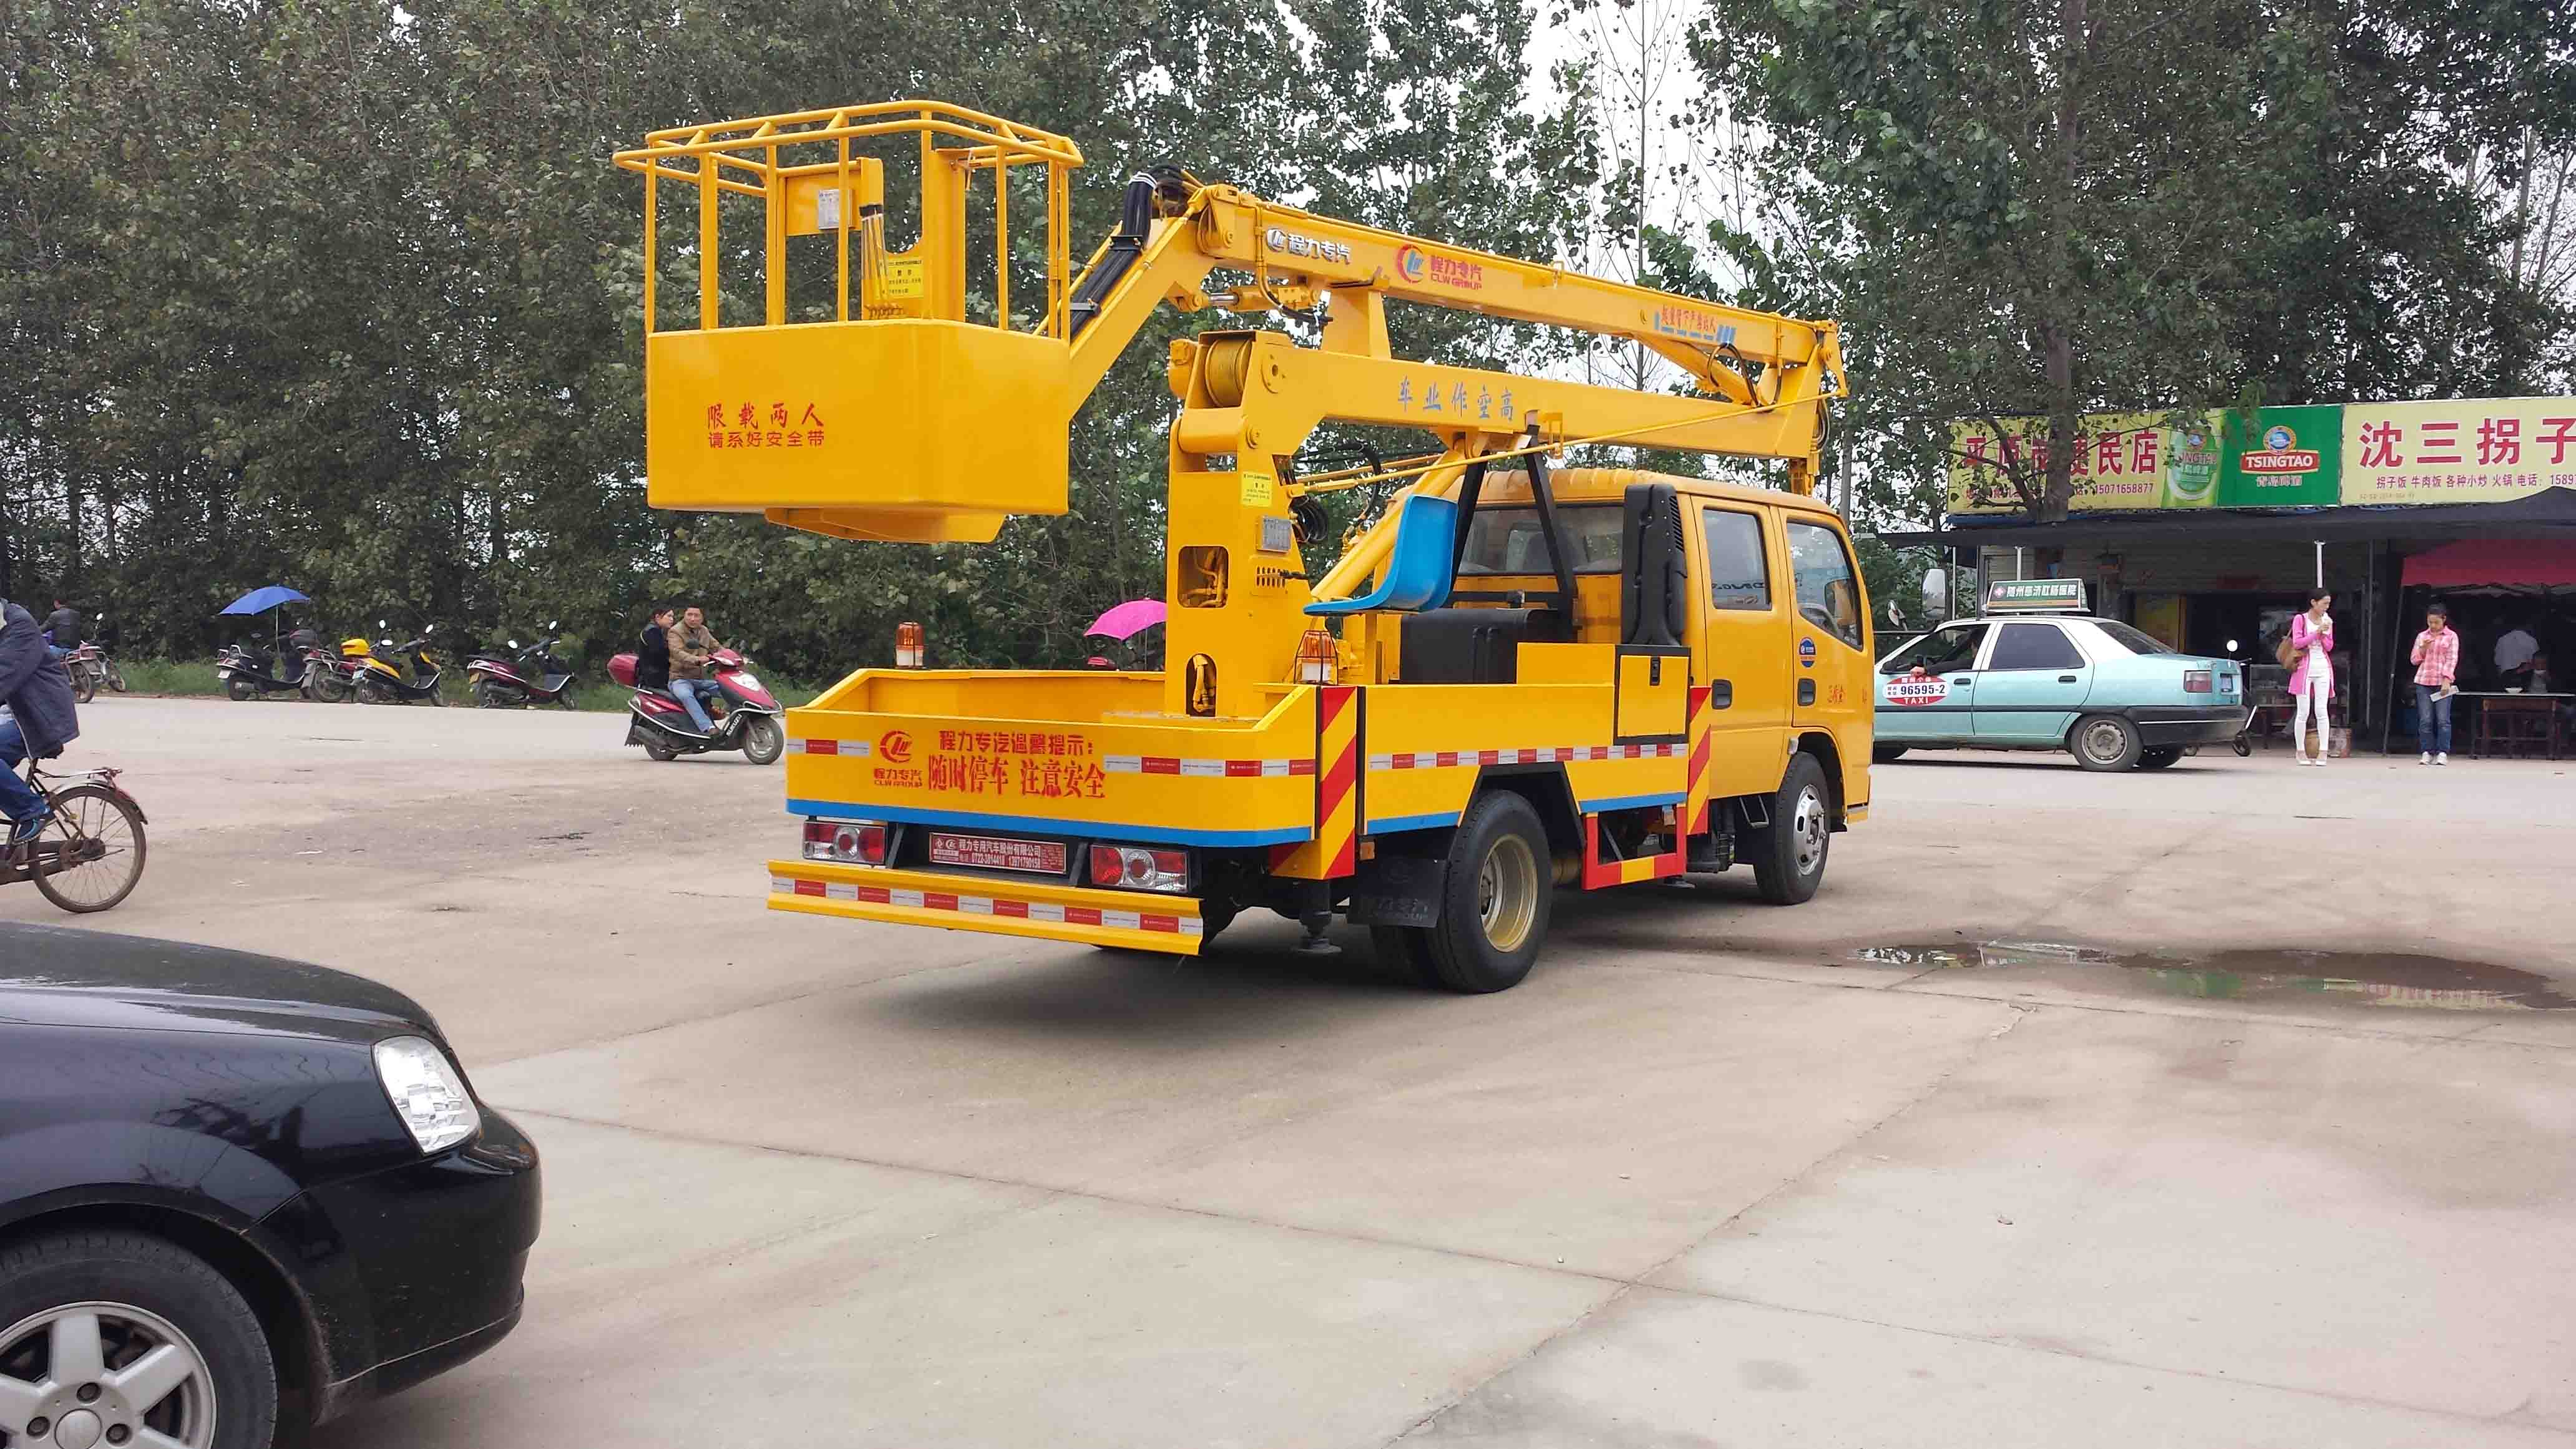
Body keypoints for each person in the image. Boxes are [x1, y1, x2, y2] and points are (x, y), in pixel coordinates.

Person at [0, 596, 82, 845]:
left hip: (42, 716)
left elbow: (5, 674)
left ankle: (34, 812)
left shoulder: (20, 626)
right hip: (18, 714)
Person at [2288, 588, 2334, 766]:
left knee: (2322, 711)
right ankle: (2301, 751)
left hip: (2322, 667)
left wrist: (2323, 634)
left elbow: (2329, 647)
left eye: (2329, 604)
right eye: (2324, 603)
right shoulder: (2300, 619)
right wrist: (2317, 633)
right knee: (2304, 712)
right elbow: (2297, 643)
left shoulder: (2327, 620)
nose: (2327, 607)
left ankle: (2323, 751)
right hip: (2303, 669)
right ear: (2314, 603)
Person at [2409, 601, 2459, 766]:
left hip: (2442, 682)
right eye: (2430, 622)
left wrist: (2447, 680)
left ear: (2444, 619)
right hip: (2423, 681)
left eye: (2436, 622)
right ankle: (2427, 751)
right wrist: (2423, 649)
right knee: (2426, 720)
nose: (2433, 625)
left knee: (2443, 720)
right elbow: (2414, 660)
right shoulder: (2422, 636)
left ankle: (2443, 752)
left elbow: (2452, 659)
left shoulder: (2451, 636)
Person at [665, 605, 724, 736]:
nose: (693, 619)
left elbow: (717, 647)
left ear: (702, 618)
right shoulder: (675, 631)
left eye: (696, 615)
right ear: (684, 616)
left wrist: (732, 657)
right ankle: (708, 728)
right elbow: (677, 652)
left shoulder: (704, 631)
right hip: (680, 679)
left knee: (729, 689)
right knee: (686, 696)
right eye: (689, 615)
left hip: (700, 680)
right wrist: (697, 660)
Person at [634, 604, 675, 693]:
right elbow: (660, 653)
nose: (672, 619)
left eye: (672, 617)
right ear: (658, 617)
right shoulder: (652, 631)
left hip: (656, 674)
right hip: (655, 676)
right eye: (669, 616)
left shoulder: (656, 630)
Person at [2495, 617, 2540, 684]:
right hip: (2526, 680)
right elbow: (2538, 664)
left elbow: (2497, 663)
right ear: (2527, 625)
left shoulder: (2501, 640)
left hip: (2506, 679)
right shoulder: (2532, 640)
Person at [41, 598, 80, 663]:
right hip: (75, 648)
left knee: (40, 652)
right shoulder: (76, 614)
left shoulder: (55, 615)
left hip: (60, 648)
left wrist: (33, 630)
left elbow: (44, 629)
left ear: (56, 603)